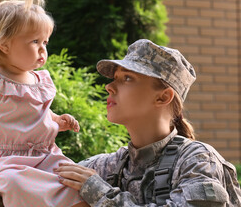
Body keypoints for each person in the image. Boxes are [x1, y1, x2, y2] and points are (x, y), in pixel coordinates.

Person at [54, 39, 241, 206]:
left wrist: (101, 195)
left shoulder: (198, 161)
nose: (109, 86)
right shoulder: (104, 167)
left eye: (127, 78)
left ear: (162, 97)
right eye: (114, 78)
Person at [0, 0, 88, 207]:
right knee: (15, 183)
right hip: (8, 162)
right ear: (4, 45)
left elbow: (39, 113)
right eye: (35, 41)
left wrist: (58, 120)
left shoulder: (40, 80)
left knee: (75, 180)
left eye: (45, 42)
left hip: (46, 156)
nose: (43, 49)